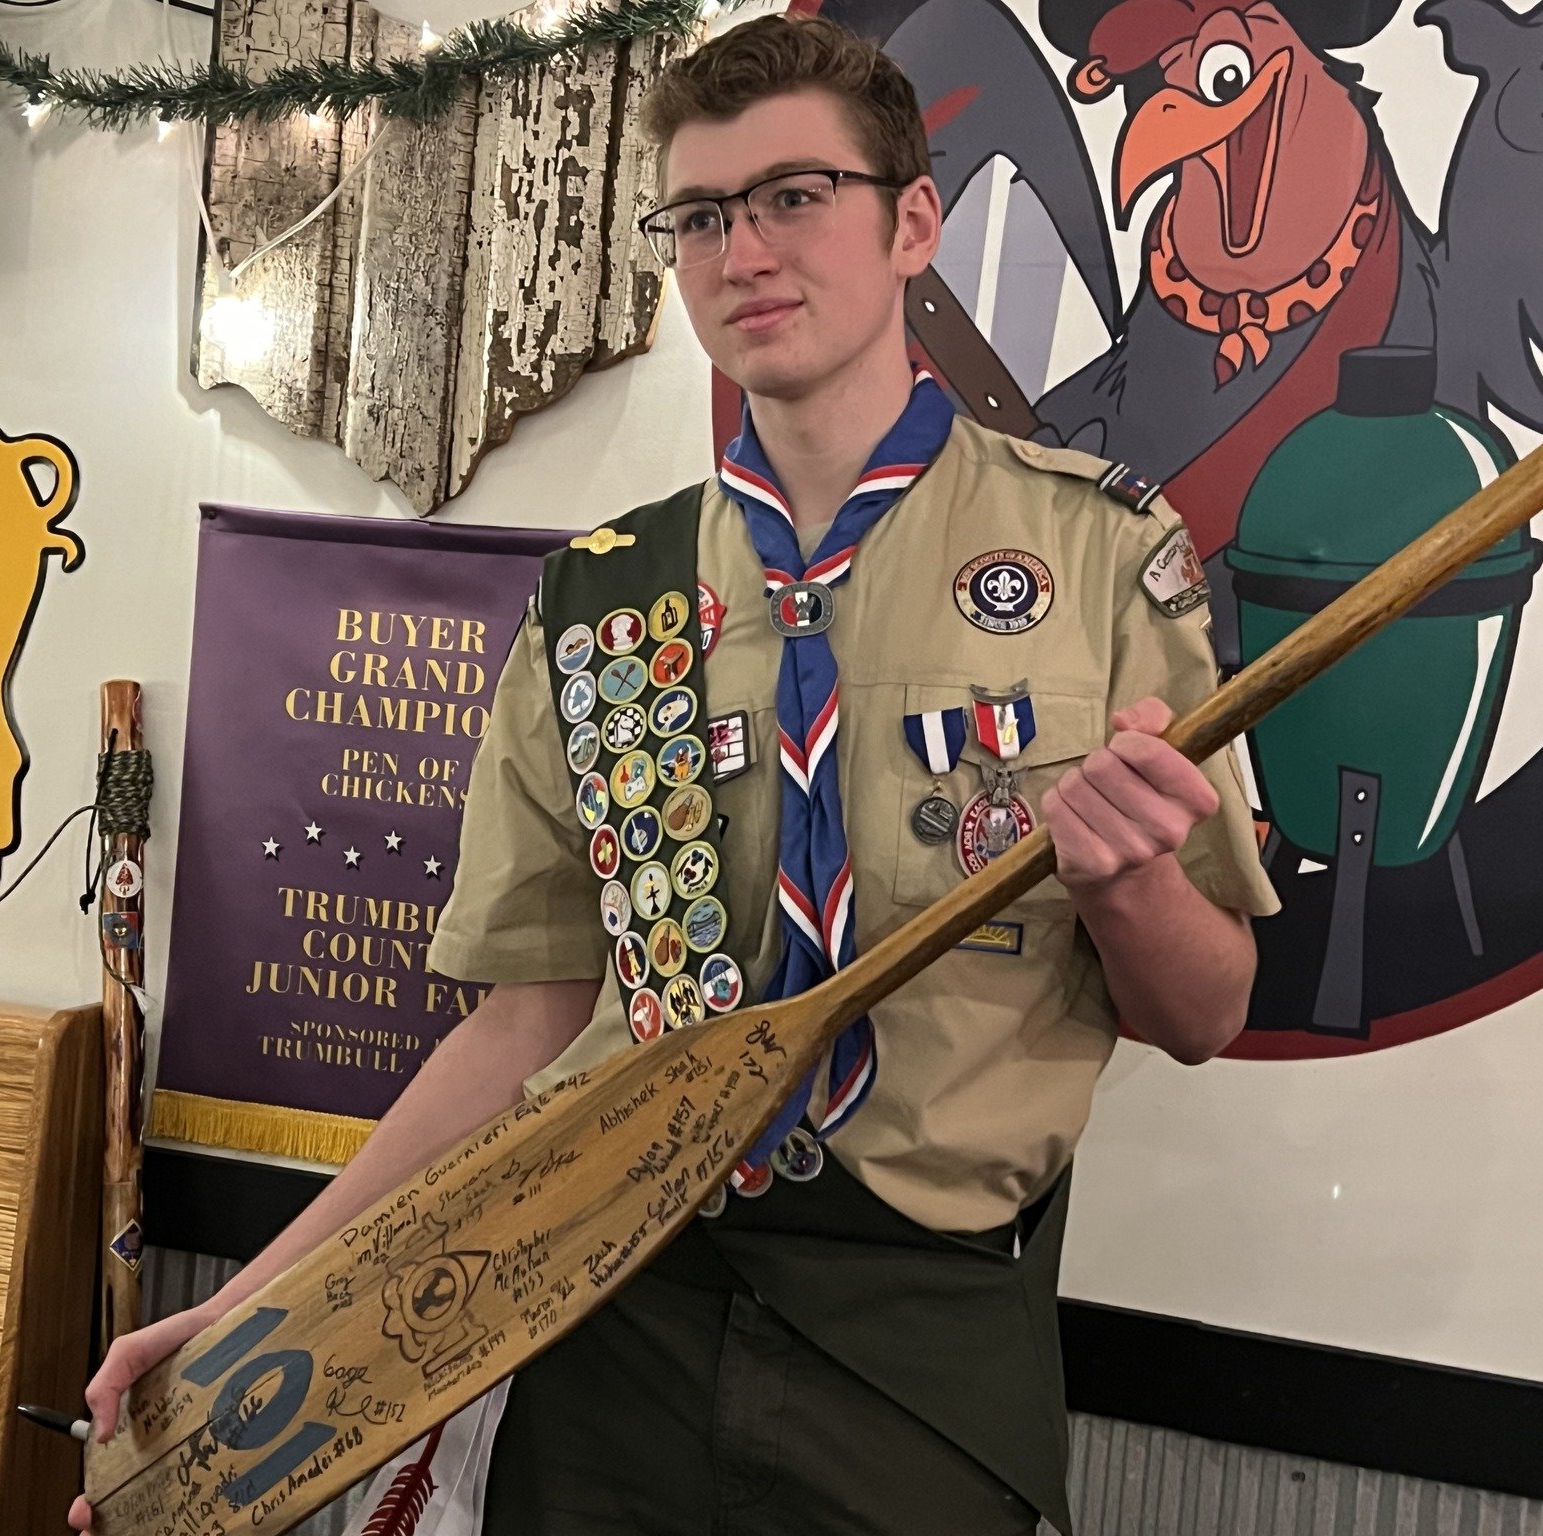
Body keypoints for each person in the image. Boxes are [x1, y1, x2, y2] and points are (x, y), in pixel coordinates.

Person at [70, 13, 1278, 1534]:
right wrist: (254, 1303)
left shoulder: (1100, 557)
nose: (743, 252)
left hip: (918, 1338)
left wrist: (1133, 882)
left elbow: (1205, 1012)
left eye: (793, 196)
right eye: (699, 216)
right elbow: (526, 1023)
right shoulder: (603, 597)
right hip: (606, 1306)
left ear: (914, 221)